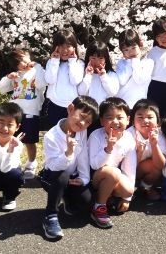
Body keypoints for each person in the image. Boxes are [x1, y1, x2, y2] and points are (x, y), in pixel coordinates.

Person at [39, 96, 99, 240]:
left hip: (71, 177)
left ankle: (66, 198)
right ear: (70, 109)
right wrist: (68, 153)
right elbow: (53, 166)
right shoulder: (51, 136)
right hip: (52, 177)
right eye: (82, 116)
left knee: (86, 200)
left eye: (88, 121)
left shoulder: (81, 131)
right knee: (62, 175)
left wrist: (83, 178)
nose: (83, 123)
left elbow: (83, 154)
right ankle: (50, 215)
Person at [0, 49, 46, 180]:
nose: (23, 64)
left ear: (29, 57)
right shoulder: (16, 75)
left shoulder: (37, 71)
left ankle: (31, 164)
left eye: (24, 60)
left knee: (30, 141)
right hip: (14, 113)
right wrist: (8, 78)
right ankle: (13, 163)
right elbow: (1, 89)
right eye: (18, 63)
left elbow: (43, 84)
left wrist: (37, 67)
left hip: (31, 111)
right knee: (12, 140)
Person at [88, 97, 136, 229]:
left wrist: (127, 199)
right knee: (113, 172)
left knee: (128, 190)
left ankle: (107, 195)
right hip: (95, 177)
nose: (115, 121)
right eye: (109, 117)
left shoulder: (128, 138)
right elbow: (94, 165)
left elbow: (130, 168)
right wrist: (108, 148)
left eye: (120, 117)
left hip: (113, 176)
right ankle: (99, 206)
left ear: (128, 119)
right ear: (102, 121)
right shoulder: (96, 135)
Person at [44, 29, 85, 128]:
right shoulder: (51, 62)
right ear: (55, 47)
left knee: (71, 131)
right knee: (55, 132)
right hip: (54, 104)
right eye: (61, 46)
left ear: (74, 47)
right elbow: (49, 80)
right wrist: (54, 61)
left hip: (72, 106)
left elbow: (75, 81)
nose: (65, 50)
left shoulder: (79, 63)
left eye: (68, 46)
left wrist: (72, 61)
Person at [127, 99, 166, 201]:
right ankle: (124, 190)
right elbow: (126, 166)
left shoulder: (160, 134)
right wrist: (139, 153)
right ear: (132, 121)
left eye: (150, 117)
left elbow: (161, 165)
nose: (145, 121)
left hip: (143, 169)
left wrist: (154, 144)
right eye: (140, 117)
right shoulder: (128, 134)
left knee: (154, 167)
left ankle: (145, 187)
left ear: (158, 121)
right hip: (127, 170)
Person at [116, 29, 154, 110]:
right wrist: (130, 62)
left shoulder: (148, 62)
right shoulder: (121, 63)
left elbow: (139, 79)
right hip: (122, 104)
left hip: (139, 105)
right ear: (122, 51)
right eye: (126, 50)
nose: (131, 52)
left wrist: (135, 61)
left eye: (133, 48)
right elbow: (122, 80)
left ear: (140, 45)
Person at [78, 40, 119, 105]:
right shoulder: (83, 72)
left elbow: (113, 92)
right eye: (93, 58)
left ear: (106, 59)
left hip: (104, 109)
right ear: (88, 58)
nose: (97, 62)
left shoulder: (111, 74)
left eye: (101, 58)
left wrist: (103, 76)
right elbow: (81, 92)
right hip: (88, 108)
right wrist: (88, 75)